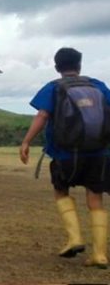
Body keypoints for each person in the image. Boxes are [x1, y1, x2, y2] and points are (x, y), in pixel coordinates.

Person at [20, 47, 110, 268]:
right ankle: (100, 253)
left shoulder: (53, 87)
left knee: (61, 191)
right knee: (96, 198)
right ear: (79, 65)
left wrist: (26, 141)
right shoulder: (98, 86)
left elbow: (42, 115)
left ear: (57, 67)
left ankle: (75, 238)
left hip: (64, 153)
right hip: (98, 152)